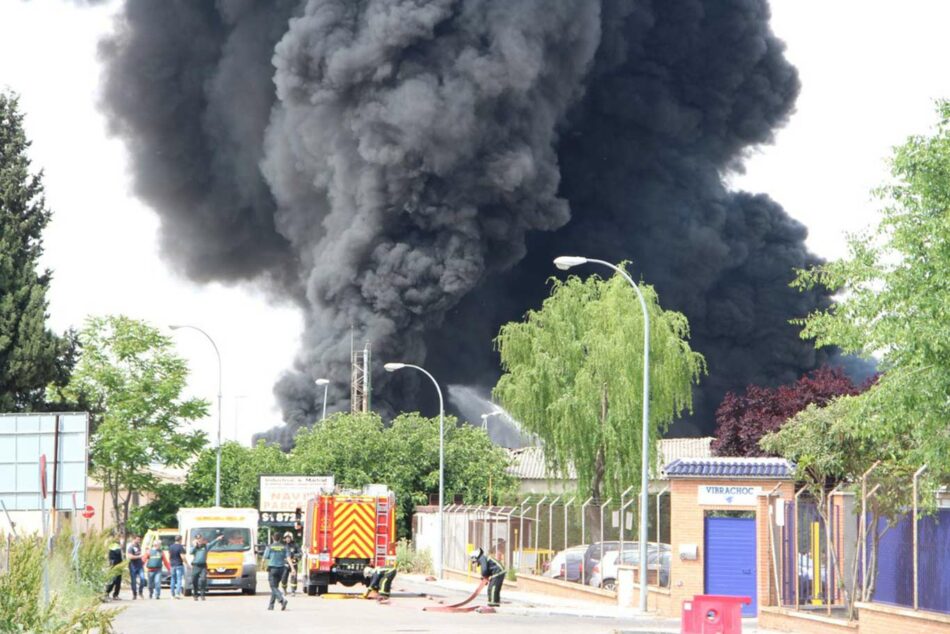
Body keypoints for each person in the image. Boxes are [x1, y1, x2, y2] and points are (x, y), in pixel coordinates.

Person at [189, 533, 220, 601]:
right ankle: (195, 594)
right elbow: (191, 552)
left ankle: (202, 595)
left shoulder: (205, 546)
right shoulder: (194, 547)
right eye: (197, 539)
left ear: (202, 540)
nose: (199, 540)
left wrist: (217, 539)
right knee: (194, 580)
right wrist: (195, 546)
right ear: (196, 540)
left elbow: (212, 543)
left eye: (200, 539)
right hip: (195, 565)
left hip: (203, 565)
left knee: (203, 580)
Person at [263, 534, 289, 611]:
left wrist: (262, 566)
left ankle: (282, 600)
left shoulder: (270, 547)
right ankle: (271, 606)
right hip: (281, 569)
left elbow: (264, 558)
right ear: (280, 538)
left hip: (272, 569)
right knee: (275, 587)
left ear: (272, 538)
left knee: (273, 587)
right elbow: (288, 557)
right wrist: (293, 569)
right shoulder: (284, 547)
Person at [279, 531, 301, 596]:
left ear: (291, 538)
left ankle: (293, 591)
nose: (287, 539)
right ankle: (284, 590)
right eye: (286, 538)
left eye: (289, 538)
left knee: (294, 578)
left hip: (293, 565)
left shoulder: (295, 545)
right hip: (285, 565)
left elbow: (300, 553)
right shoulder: (282, 545)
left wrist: (295, 555)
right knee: (283, 578)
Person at [126, 535, 147, 600]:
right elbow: (130, 556)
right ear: (134, 539)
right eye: (138, 539)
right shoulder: (130, 547)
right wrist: (139, 556)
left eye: (139, 539)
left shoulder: (138, 546)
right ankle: (134, 594)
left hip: (140, 565)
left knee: (143, 579)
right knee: (134, 581)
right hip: (133, 566)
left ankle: (140, 592)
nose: (139, 541)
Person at [105, 535, 123, 600]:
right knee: (114, 581)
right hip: (115, 566)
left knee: (117, 581)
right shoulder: (114, 546)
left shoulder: (113, 546)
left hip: (118, 566)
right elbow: (117, 554)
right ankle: (108, 593)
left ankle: (115, 595)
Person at [168, 535, 186, 599]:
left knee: (173, 579)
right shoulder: (180, 547)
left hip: (172, 565)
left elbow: (169, 556)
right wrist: (187, 564)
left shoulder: (171, 546)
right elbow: (182, 557)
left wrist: (170, 562)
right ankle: (177, 594)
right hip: (179, 564)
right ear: (180, 539)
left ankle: (172, 594)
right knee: (179, 579)